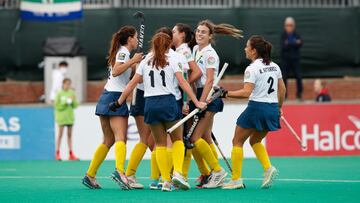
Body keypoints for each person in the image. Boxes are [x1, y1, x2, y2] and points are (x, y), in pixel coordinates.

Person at [111, 32, 207, 192]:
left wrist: (118, 102)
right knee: (177, 140)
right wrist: (196, 102)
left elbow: (131, 84)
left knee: (160, 144)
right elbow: (183, 83)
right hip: (168, 102)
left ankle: (167, 181)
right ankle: (177, 173)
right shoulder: (172, 59)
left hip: (150, 105)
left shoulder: (145, 61)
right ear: (169, 44)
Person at [218, 35, 286, 189]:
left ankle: (236, 179)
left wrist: (225, 93)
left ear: (254, 51)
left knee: (237, 141)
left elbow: (246, 93)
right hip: (272, 108)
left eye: (247, 46)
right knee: (254, 141)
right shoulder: (275, 66)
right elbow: (282, 89)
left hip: (257, 107)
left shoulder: (252, 68)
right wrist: (279, 107)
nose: (245, 49)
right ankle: (268, 168)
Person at [82, 26, 143, 189]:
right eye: (135, 37)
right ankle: (120, 171)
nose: (137, 40)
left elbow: (127, 75)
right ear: (130, 38)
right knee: (120, 138)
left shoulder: (122, 53)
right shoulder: (123, 52)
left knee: (108, 140)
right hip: (115, 97)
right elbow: (116, 71)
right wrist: (133, 61)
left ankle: (90, 175)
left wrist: (136, 65)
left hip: (106, 95)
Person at [187, 20, 242, 189]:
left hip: (209, 96)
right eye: (198, 31)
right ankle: (210, 173)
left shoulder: (211, 54)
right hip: (199, 94)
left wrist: (201, 102)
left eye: (203, 32)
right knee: (205, 136)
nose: (199, 34)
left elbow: (210, 80)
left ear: (210, 36)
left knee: (194, 138)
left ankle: (217, 172)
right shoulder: (195, 49)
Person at [54, 78, 78, 161]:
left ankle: (71, 154)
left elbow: (75, 106)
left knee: (69, 135)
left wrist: (73, 100)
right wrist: (66, 102)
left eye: (69, 84)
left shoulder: (71, 93)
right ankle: (57, 153)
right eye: (66, 84)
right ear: (63, 84)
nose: (68, 86)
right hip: (61, 117)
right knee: (60, 135)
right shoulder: (59, 93)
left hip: (69, 117)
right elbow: (57, 106)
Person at [281, 16, 303, 100]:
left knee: (299, 76)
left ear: (293, 26)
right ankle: (284, 96)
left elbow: (300, 43)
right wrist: (294, 42)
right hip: (285, 60)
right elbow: (283, 46)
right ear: (284, 26)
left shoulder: (297, 34)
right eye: (287, 25)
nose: (289, 27)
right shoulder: (283, 35)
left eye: (290, 25)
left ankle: (299, 95)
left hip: (295, 59)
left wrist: (289, 43)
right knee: (284, 77)